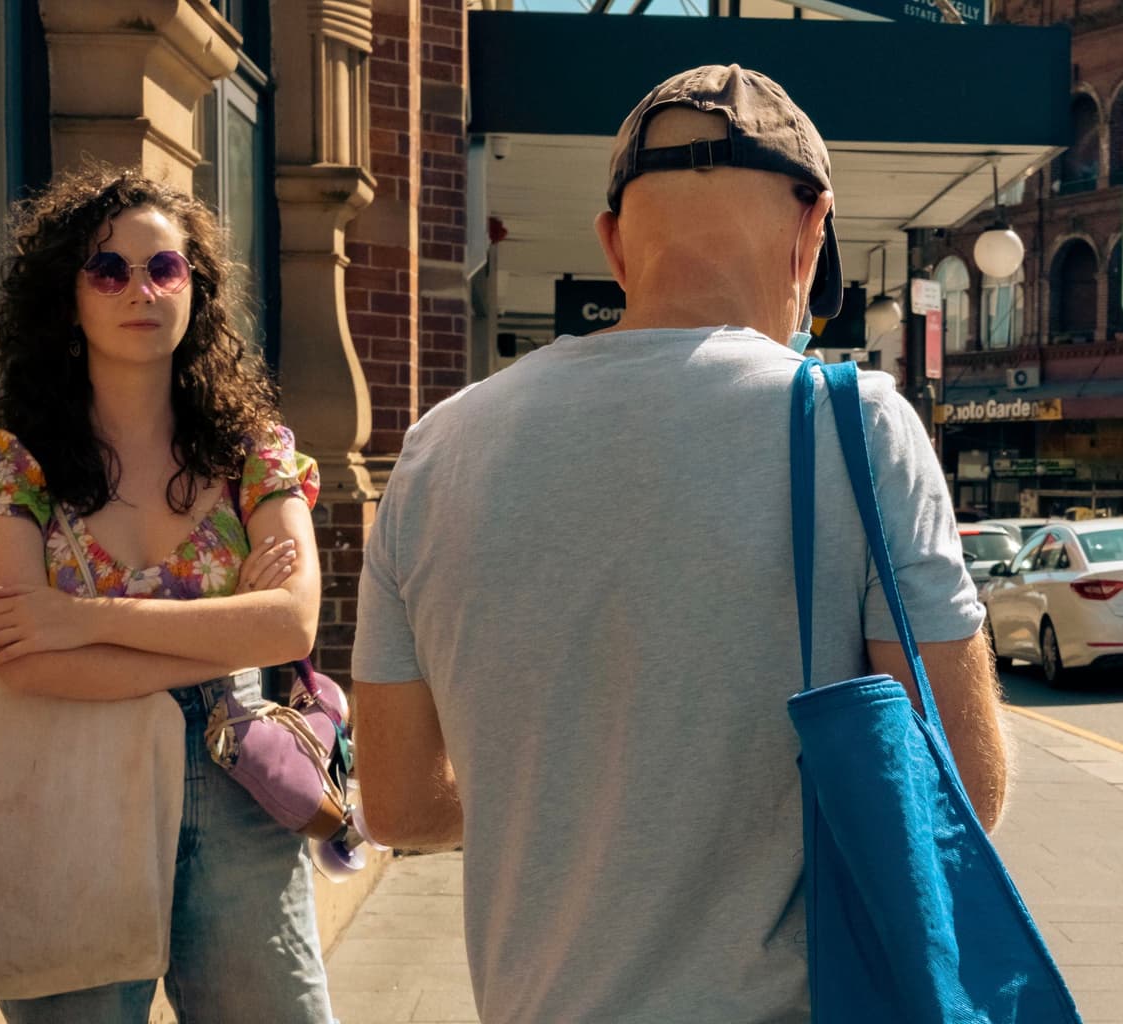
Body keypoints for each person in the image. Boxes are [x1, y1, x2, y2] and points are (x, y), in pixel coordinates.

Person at [351, 65, 1009, 1023]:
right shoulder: (855, 426)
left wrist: (562, 807)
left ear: (614, 242)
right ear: (812, 228)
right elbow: (964, 792)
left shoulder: (436, 449)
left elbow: (398, 804)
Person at [0, 166, 332, 1023]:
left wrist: (77, 617)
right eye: (108, 270)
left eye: (166, 268)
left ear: (196, 287)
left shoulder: (251, 453)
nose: (140, 290)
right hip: (62, 793)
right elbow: (25, 662)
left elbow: (292, 621)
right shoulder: (3, 462)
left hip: (239, 790)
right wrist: (222, 633)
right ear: (67, 295)